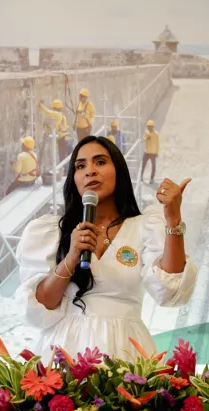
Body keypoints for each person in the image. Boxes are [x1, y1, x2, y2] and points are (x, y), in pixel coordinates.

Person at [15, 136, 197, 361]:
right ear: (73, 179)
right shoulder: (53, 231)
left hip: (126, 350)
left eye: (100, 162)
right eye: (80, 166)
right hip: (65, 351)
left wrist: (173, 220)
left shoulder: (144, 226)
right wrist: (71, 257)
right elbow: (40, 308)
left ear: (119, 170)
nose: (90, 171)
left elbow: (170, 292)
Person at [142, 120, 160, 184]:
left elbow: (157, 144)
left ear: (153, 126)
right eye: (148, 126)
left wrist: (157, 152)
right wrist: (146, 138)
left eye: (150, 126)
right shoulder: (146, 133)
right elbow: (143, 139)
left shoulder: (156, 134)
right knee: (143, 164)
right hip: (147, 152)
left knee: (154, 166)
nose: (149, 128)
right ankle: (141, 176)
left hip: (153, 153)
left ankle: (152, 179)